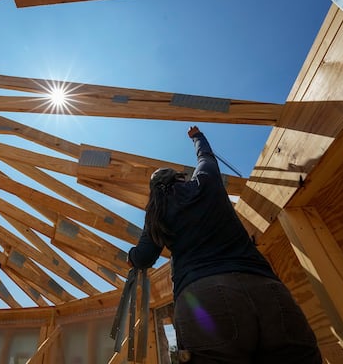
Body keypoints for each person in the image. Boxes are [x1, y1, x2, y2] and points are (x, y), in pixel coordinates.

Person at [127, 126, 322, 363]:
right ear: (179, 177)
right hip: (266, 289)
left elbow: (144, 257)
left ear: (154, 190)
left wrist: (132, 257)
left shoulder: (157, 211)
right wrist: (197, 136)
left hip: (205, 297)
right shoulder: (206, 184)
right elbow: (206, 157)